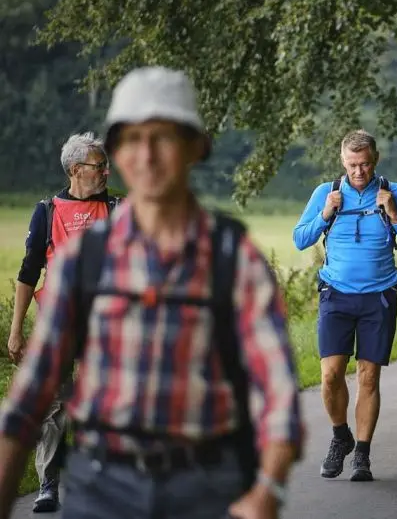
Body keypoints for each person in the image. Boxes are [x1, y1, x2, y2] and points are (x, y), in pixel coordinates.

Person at [0, 66, 305, 519]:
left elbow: (278, 390)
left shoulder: (233, 259)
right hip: (102, 490)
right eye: (131, 139)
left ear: (195, 148)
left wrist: (266, 493)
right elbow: (28, 403)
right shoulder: (80, 262)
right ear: (118, 153)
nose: (147, 154)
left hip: (206, 488)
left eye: (164, 138)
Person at [293, 129, 397, 482]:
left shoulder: (394, 193)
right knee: (330, 374)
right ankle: (341, 436)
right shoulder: (327, 192)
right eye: (352, 165)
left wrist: (394, 213)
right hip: (336, 294)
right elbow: (300, 238)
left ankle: (362, 454)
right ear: (342, 162)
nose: (359, 172)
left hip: (378, 297)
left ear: (375, 159)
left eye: (365, 164)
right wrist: (324, 214)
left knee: (368, 376)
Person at [6, 131, 121, 513]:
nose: (106, 172)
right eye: (98, 166)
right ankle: (48, 484)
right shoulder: (48, 211)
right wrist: (16, 330)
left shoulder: (118, 209)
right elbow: (27, 273)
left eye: (106, 165)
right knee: (55, 406)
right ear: (76, 170)